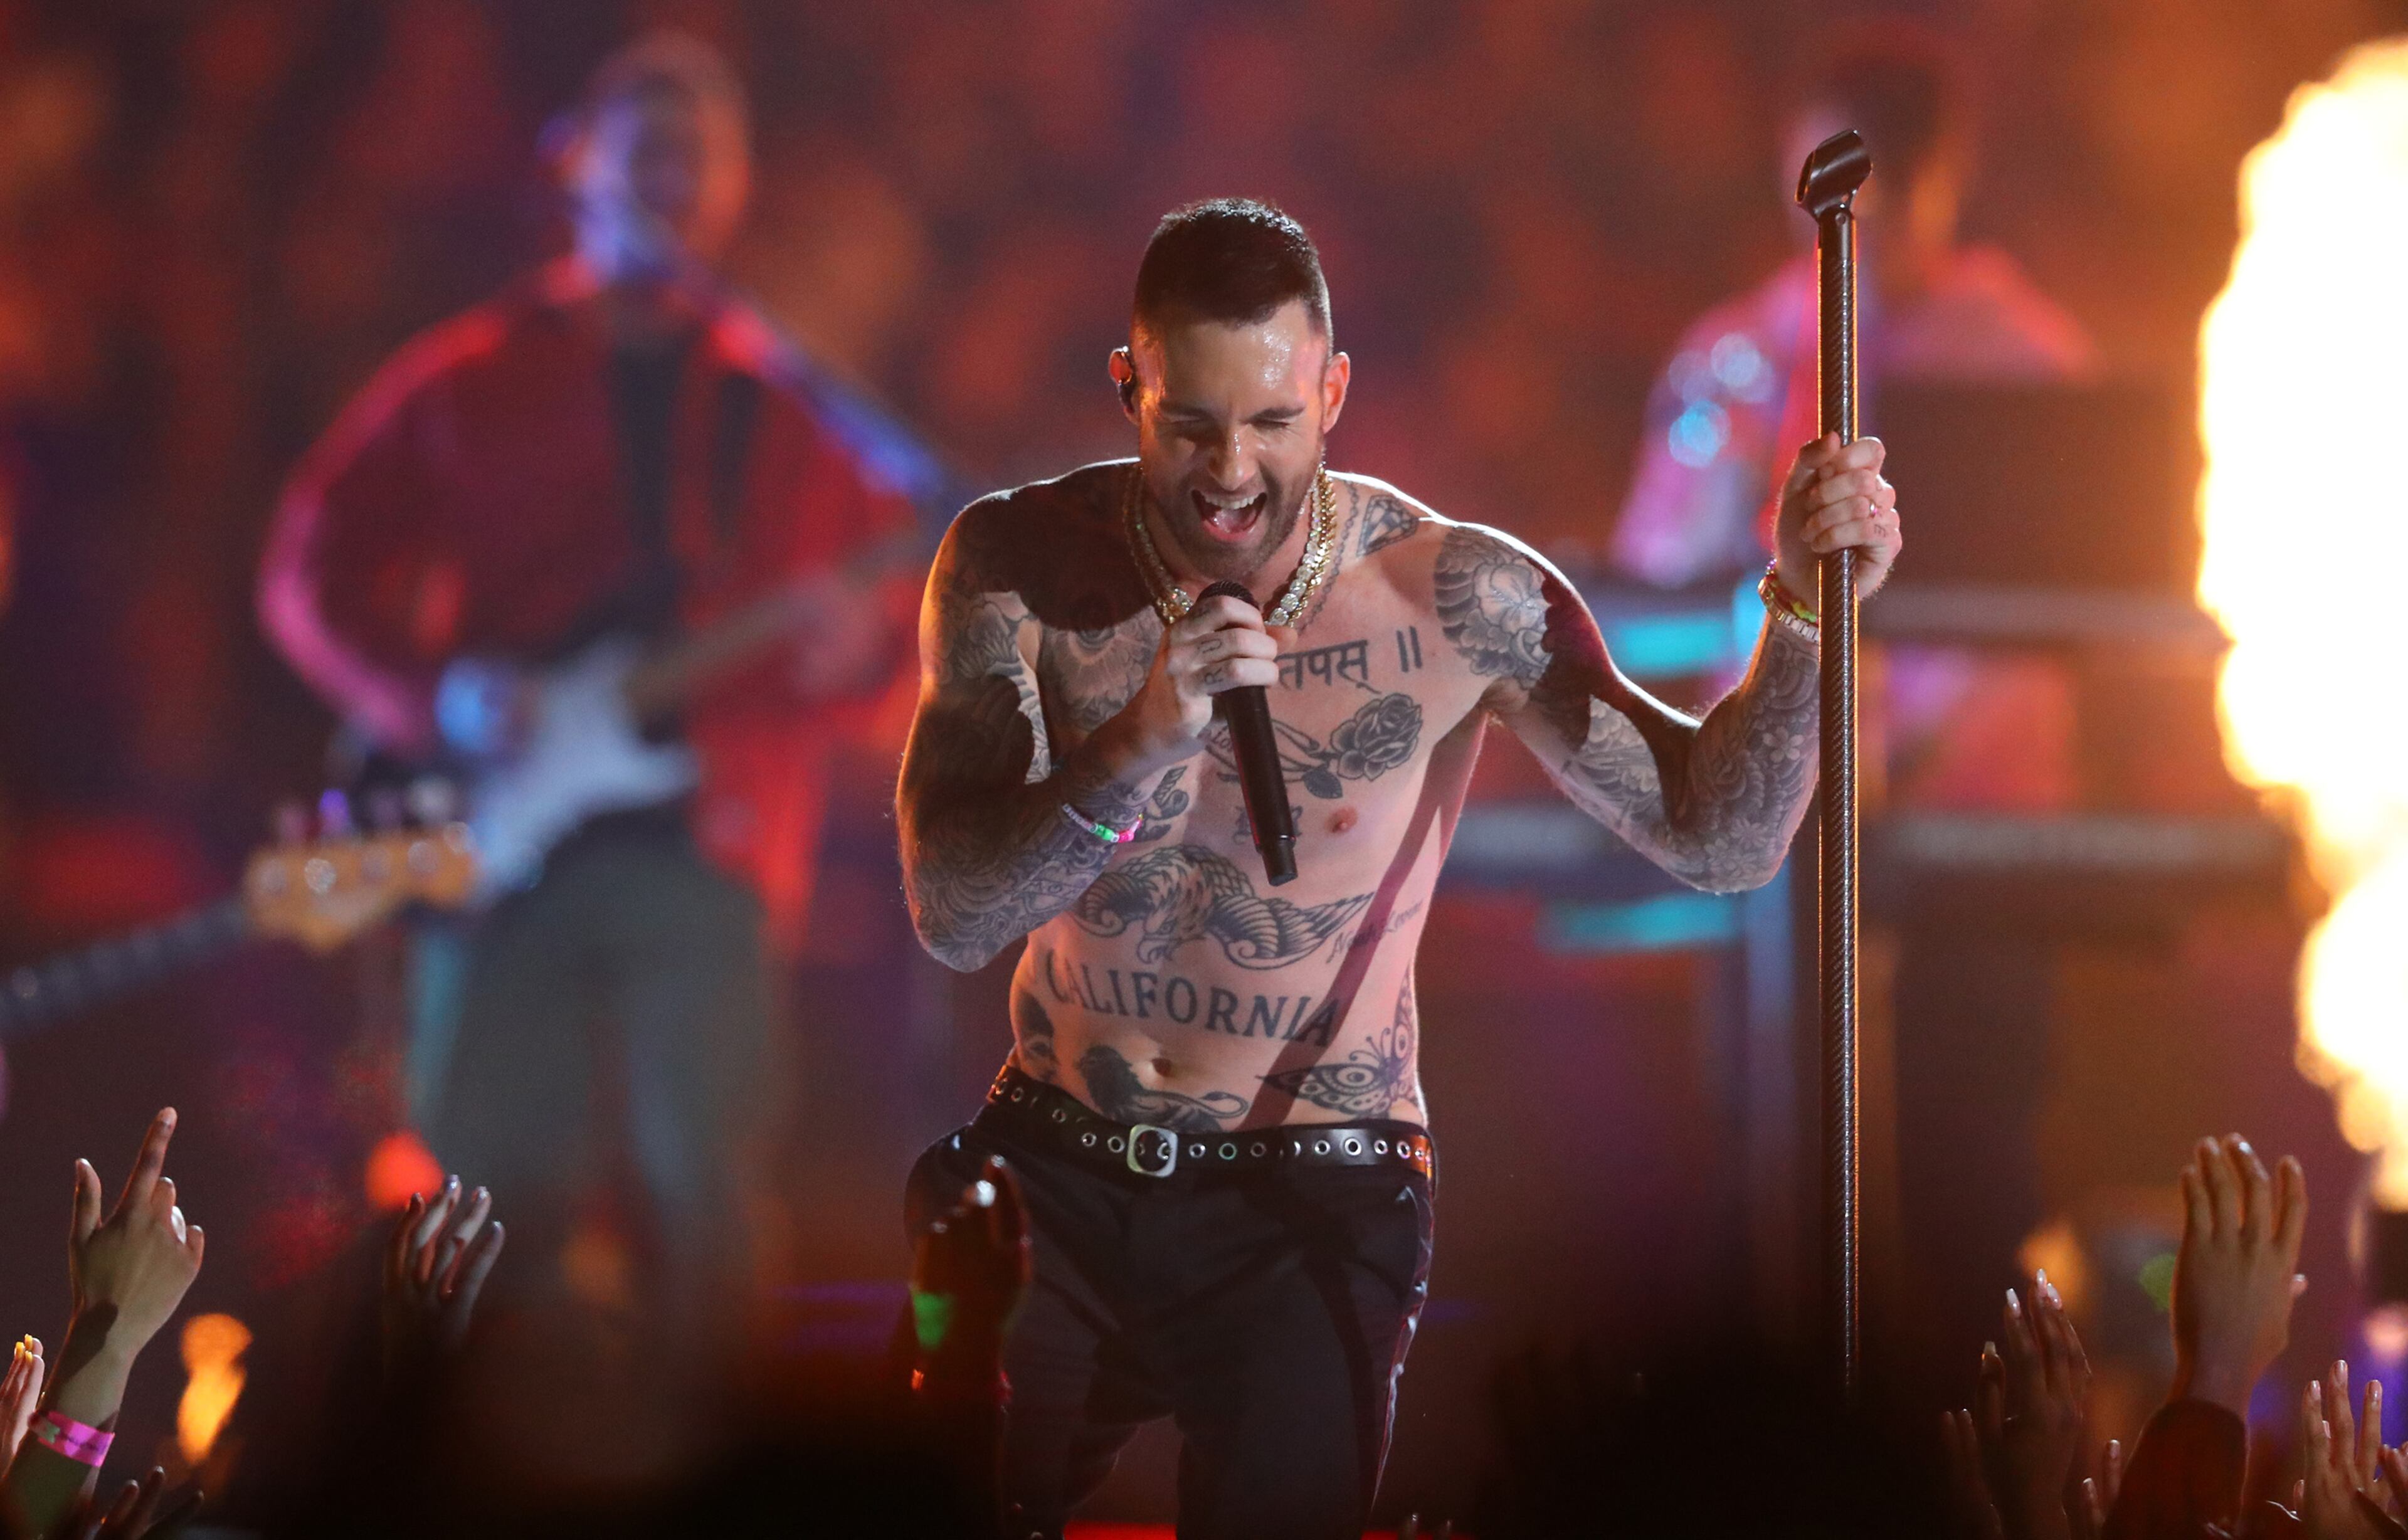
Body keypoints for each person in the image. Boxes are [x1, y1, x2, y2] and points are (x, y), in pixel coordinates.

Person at [894, 198, 1901, 1539]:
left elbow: (1720, 839)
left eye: (1272, 423)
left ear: (1335, 392)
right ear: (1128, 384)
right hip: (1055, 1166)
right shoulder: (1017, 566)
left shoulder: (1457, 596)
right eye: (1189, 424)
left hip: (1309, 1187)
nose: (1231, 473)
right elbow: (954, 915)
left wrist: (1799, 614)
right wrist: (1138, 742)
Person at [257, 34, 921, 1341]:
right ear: (579, 166)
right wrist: (432, 694)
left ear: (733, 186)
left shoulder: (787, 399)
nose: (671, 182)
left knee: (702, 1187)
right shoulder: (471, 374)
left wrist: (867, 656)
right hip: (500, 847)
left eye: (698, 156)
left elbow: (881, 641)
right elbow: (308, 571)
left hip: (712, 845)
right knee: (493, 1192)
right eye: (647, 151)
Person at [1612, 24, 2091, 590]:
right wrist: (1719, 499)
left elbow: (2085, 576)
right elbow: (1647, 572)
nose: (1859, 217)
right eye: (1832, 182)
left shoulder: (2022, 360)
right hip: (1786, 674)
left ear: (1943, 174)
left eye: (1889, 185)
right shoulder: (1737, 354)